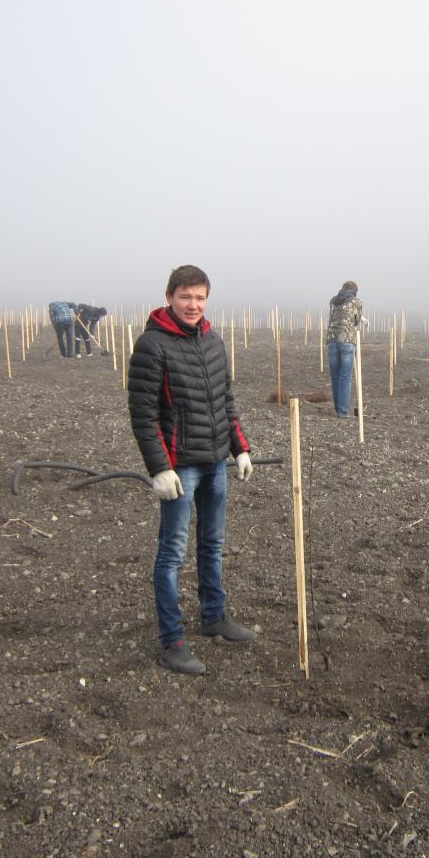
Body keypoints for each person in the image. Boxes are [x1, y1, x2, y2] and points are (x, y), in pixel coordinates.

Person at [127, 265, 255, 675]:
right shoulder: (152, 346)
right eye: (186, 296)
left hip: (215, 461)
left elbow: (226, 402)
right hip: (181, 468)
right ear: (169, 297)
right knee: (172, 554)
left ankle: (213, 615)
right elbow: (144, 416)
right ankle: (172, 640)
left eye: (200, 297)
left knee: (212, 545)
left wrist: (241, 449)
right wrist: (159, 468)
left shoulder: (213, 340)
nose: (193, 304)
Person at [326, 281, 364, 417]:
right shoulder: (356, 302)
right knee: (345, 377)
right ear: (354, 292)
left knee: (335, 376)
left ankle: (338, 409)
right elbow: (356, 321)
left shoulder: (332, 301)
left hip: (331, 340)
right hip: (347, 341)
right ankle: (342, 412)